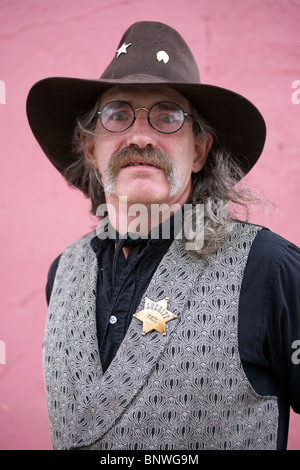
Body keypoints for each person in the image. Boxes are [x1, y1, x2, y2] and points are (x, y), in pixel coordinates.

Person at [26, 21, 300, 451]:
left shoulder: (269, 269)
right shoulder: (61, 274)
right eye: (117, 115)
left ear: (199, 151)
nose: (139, 136)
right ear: (89, 147)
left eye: (168, 117)